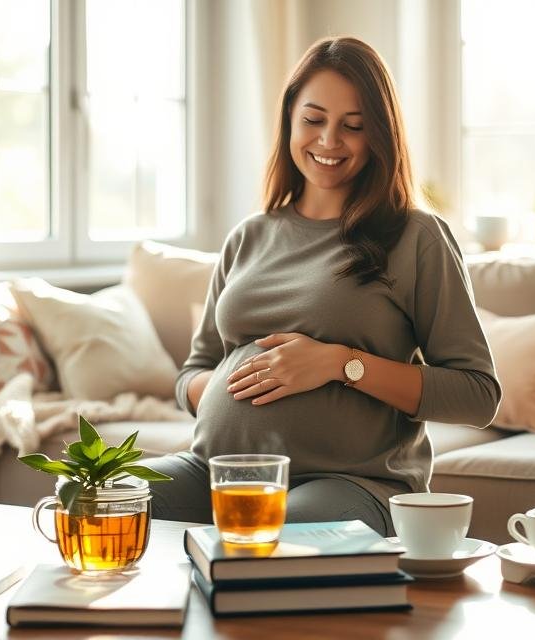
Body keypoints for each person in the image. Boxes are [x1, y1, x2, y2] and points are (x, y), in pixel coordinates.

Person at [144, 36, 500, 536]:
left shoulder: (415, 236)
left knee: (270, 539)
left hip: (351, 482)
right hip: (216, 475)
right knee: (91, 497)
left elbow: (478, 395)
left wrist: (339, 364)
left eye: (352, 127)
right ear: (289, 119)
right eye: (313, 120)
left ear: (379, 134)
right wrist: (231, 383)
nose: (329, 141)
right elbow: (193, 373)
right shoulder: (249, 235)